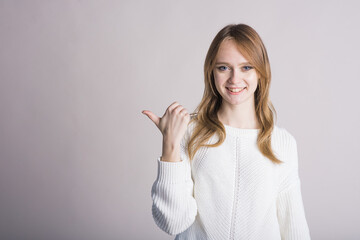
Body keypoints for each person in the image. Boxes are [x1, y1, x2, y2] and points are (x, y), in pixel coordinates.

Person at [142, 23, 311, 240]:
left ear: (261, 72)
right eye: (223, 67)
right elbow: (172, 222)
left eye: (246, 67)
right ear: (211, 72)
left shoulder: (282, 143)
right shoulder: (189, 133)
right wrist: (170, 146)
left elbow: (294, 228)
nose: (234, 79)